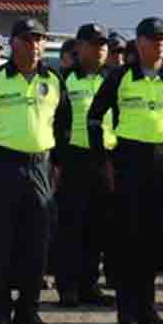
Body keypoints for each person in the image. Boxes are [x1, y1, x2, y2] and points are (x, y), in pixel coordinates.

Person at [0, 18, 71, 324]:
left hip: (40, 164)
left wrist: (58, 164)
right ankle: (1, 308)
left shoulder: (53, 79)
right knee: (3, 240)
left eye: (39, 39)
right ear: (13, 44)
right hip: (4, 163)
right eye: (27, 39)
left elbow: (64, 123)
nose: (34, 45)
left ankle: (29, 309)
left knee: (37, 241)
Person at [88, 17, 163, 324]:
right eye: (154, 39)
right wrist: (103, 159)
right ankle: (127, 309)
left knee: (155, 239)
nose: (160, 44)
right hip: (129, 161)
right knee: (129, 238)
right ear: (140, 43)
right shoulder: (121, 77)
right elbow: (94, 117)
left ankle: (148, 308)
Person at [55, 23, 115, 309]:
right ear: (79, 47)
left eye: (103, 44)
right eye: (93, 44)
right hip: (74, 159)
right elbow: (54, 122)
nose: (100, 49)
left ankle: (89, 285)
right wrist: (57, 160)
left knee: (98, 226)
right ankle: (67, 287)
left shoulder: (113, 79)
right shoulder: (63, 79)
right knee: (71, 227)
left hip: (105, 159)